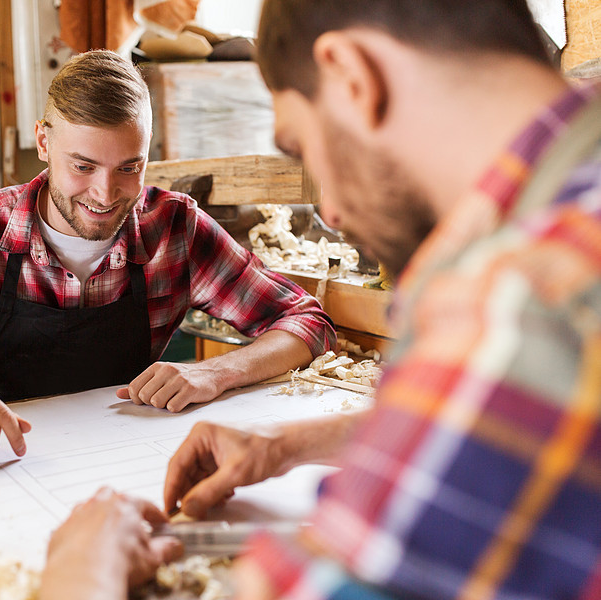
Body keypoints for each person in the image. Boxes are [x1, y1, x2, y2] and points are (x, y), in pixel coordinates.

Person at [38, 1, 601, 598]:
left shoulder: (520, 294)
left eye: (302, 147)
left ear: (353, 77)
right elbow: (500, 427)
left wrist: (82, 568)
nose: (330, 210)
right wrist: (288, 446)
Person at [0, 49, 335, 460]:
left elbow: (306, 322)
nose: (105, 193)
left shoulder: (174, 228)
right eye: (84, 165)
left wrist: (216, 372)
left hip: (128, 456)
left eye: (128, 168)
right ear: (44, 142)